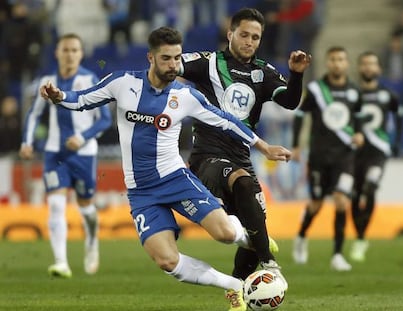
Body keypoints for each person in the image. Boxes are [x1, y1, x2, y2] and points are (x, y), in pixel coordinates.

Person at [39, 26, 292, 311]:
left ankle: (253, 237)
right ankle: (235, 287)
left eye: (176, 58)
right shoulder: (122, 83)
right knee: (167, 262)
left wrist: (263, 146)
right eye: (166, 59)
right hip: (141, 192)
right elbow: (83, 99)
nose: (173, 65)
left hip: (176, 179)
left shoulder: (185, 96)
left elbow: (226, 121)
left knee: (224, 235)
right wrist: (59, 96)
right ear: (150, 58)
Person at [179, 7, 311, 282]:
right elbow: (171, 65)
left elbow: (289, 101)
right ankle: (271, 263)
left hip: (241, 158)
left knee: (255, 230)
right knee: (242, 183)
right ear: (230, 34)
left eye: (255, 37)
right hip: (207, 158)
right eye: (244, 35)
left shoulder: (263, 72)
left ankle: (238, 289)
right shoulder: (208, 63)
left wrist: (296, 75)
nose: (249, 41)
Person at [20, 33, 112, 278]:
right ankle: (61, 261)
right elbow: (33, 114)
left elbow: (104, 119)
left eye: (74, 50)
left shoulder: (89, 79)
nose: (70, 54)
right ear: (57, 53)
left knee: (86, 209)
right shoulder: (47, 81)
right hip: (54, 153)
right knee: (56, 205)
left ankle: (92, 237)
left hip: (84, 154)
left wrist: (82, 137)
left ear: (81, 54)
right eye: (65, 49)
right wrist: (27, 142)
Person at [291, 46, 364, 271]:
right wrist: (296, 145)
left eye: (341, 59)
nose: (337, 63)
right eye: (333, 59)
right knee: (316, 204)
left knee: (342, 201)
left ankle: (337, 255)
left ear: (347, 64)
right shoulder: (315, 89)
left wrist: (360, 133)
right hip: (319, 156)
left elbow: (359, 118)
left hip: (345, 157)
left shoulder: (354, 91)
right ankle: (301, 237)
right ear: (327, 62)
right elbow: (301, 115)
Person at [350, 51, 403, 262]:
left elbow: (400, 116)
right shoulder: (353, 94)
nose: (368, 68)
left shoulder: (387, 95)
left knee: (370, 187)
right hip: (355, 153)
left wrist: (397, 142)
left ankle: (362, 238)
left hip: (378, 151)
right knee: (354, 196)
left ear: (379, 69)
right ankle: (360, 236)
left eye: (372, 64)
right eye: (364, 64)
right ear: (359, 68)